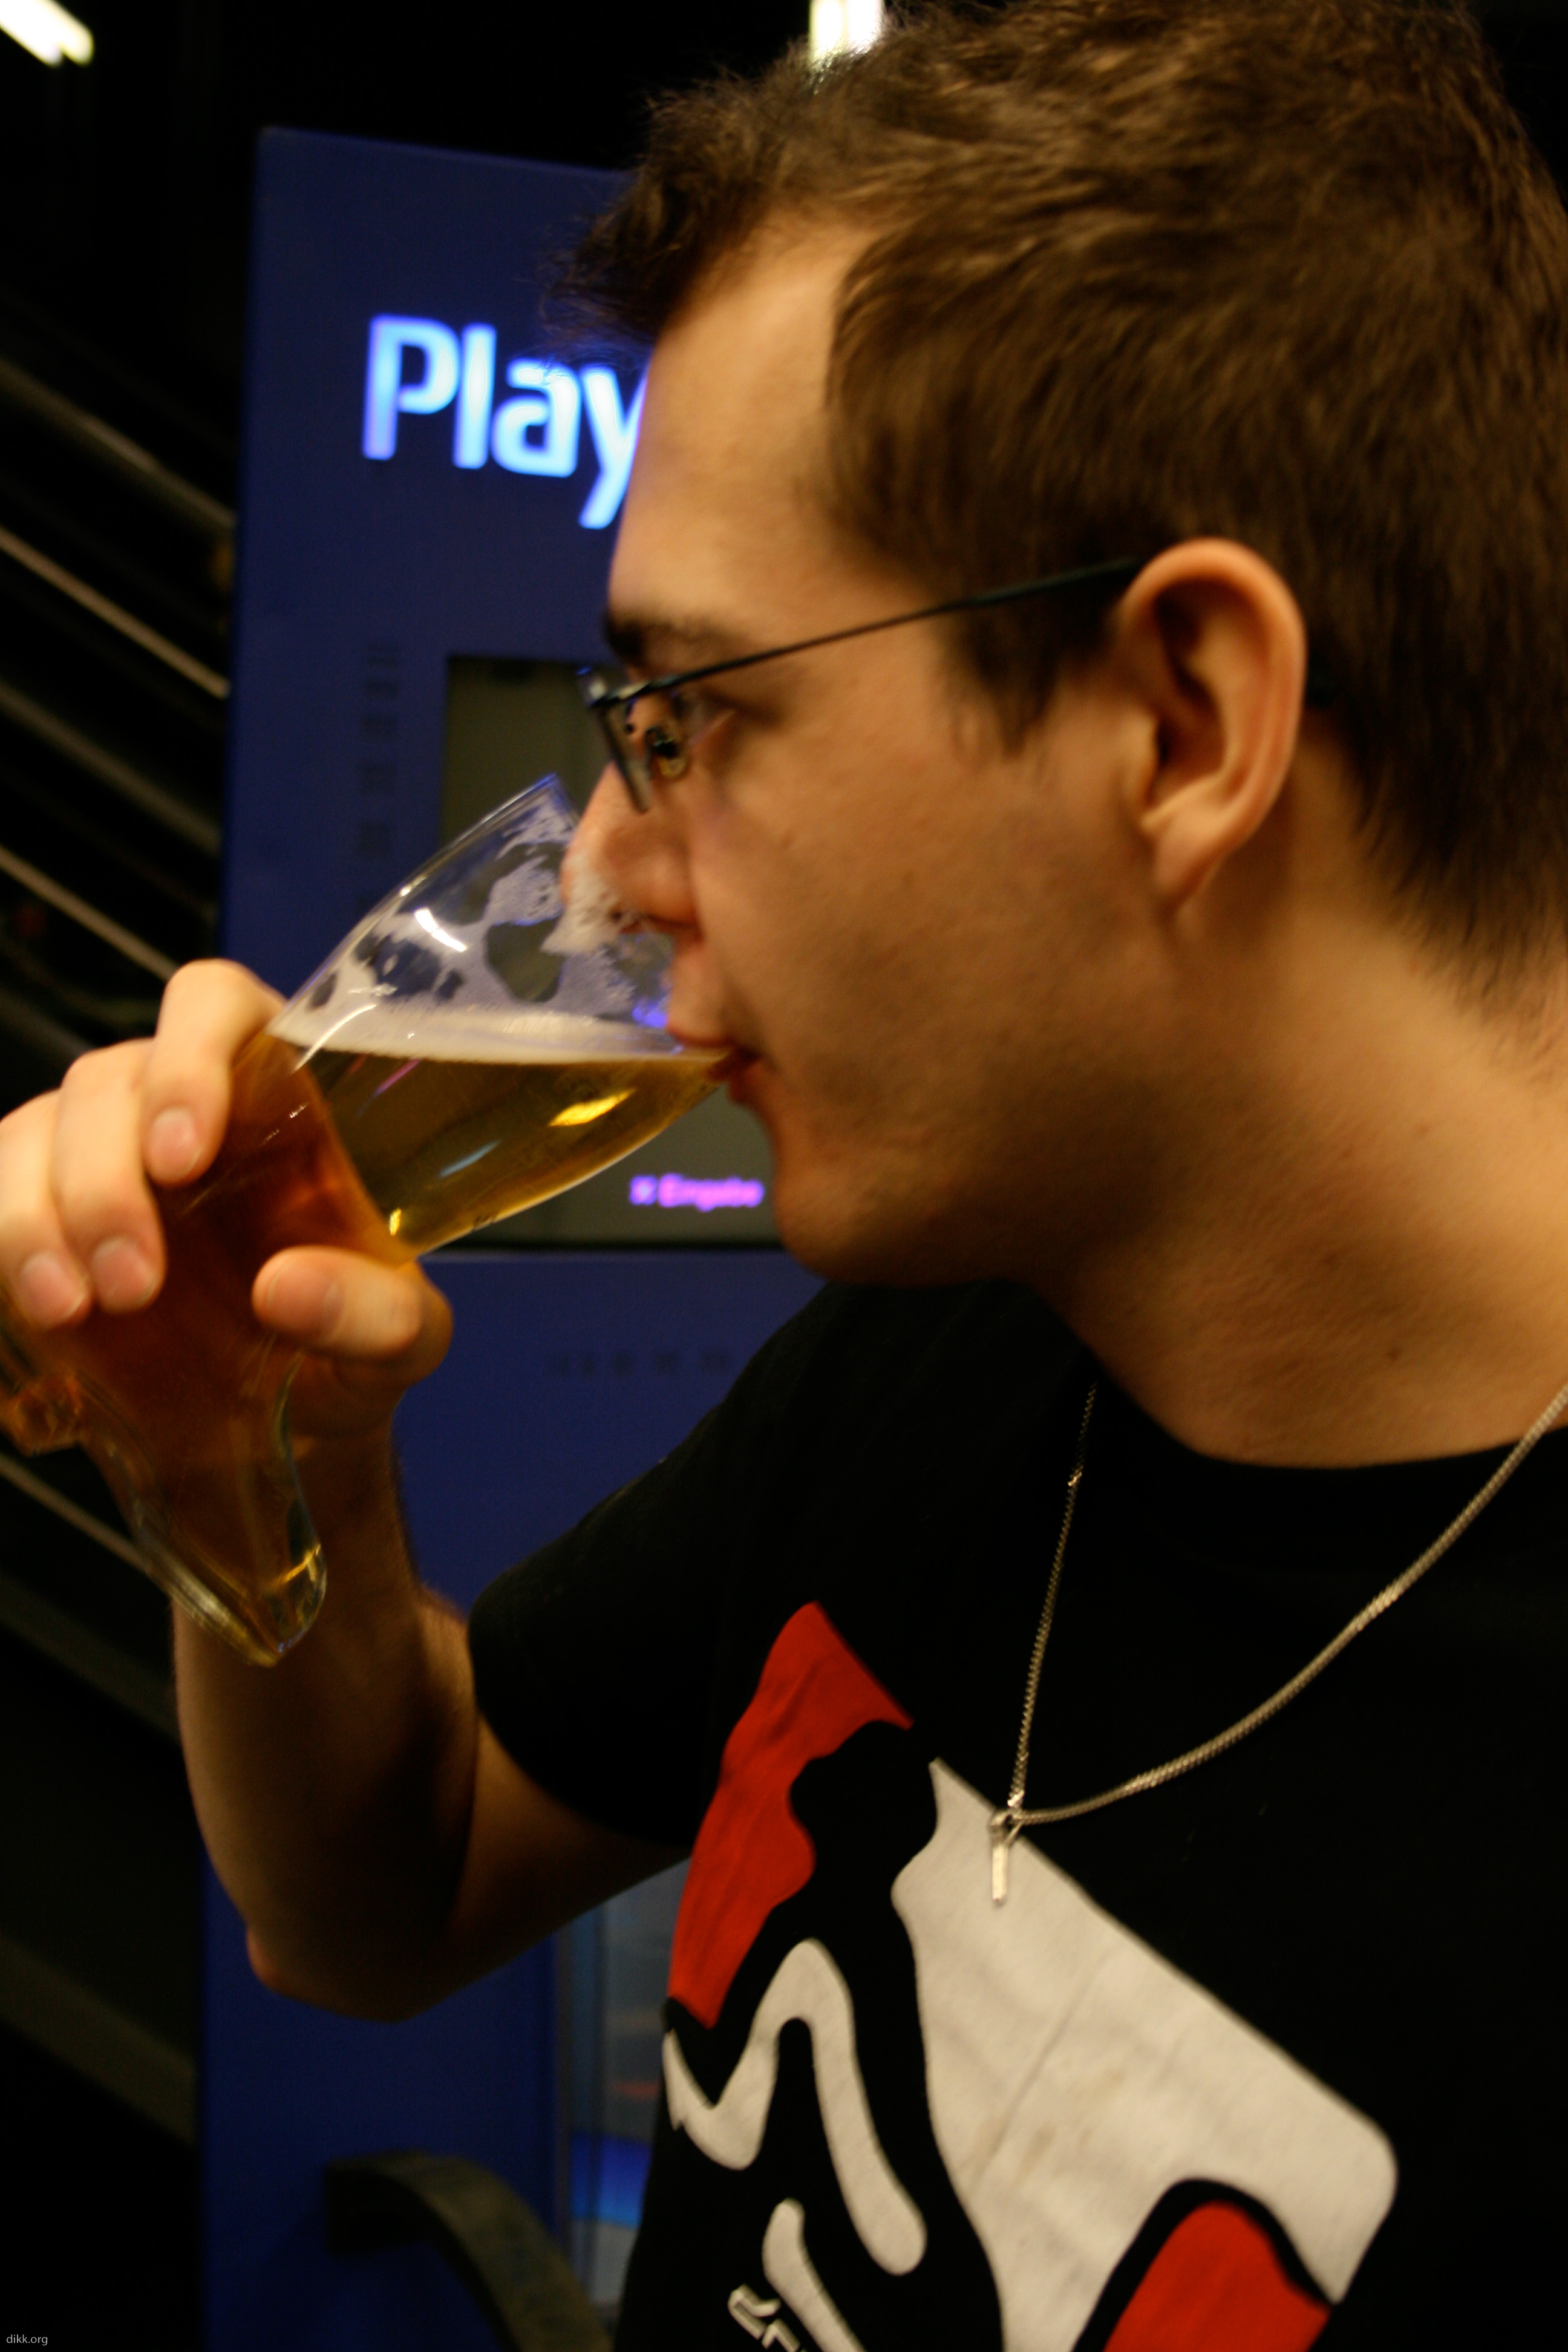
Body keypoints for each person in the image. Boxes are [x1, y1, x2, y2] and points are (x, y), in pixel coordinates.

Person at [2, 0, 1566, 2337]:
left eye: (700, 716)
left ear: (1182, 724)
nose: (609, 872)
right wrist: (252, 1456)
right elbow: (373, 1894)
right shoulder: (967, 1349)